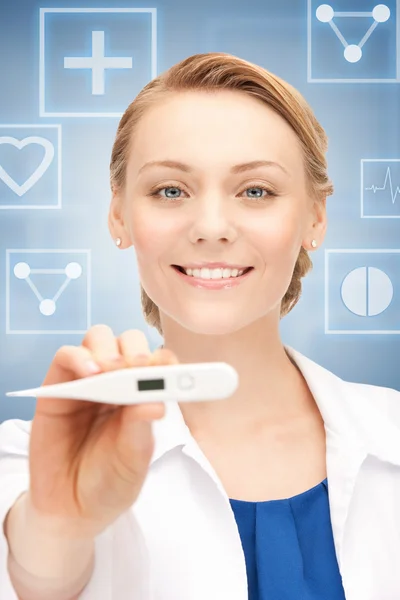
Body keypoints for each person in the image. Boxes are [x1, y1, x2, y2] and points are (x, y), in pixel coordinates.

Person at [1, 52, 400, 600]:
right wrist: (56, 524)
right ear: (119, 215)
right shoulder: (32, 458)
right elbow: (33, 573)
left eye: (256, 191)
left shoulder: (392, 433)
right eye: (170, 190)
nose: (211, 228)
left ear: (315, 218)